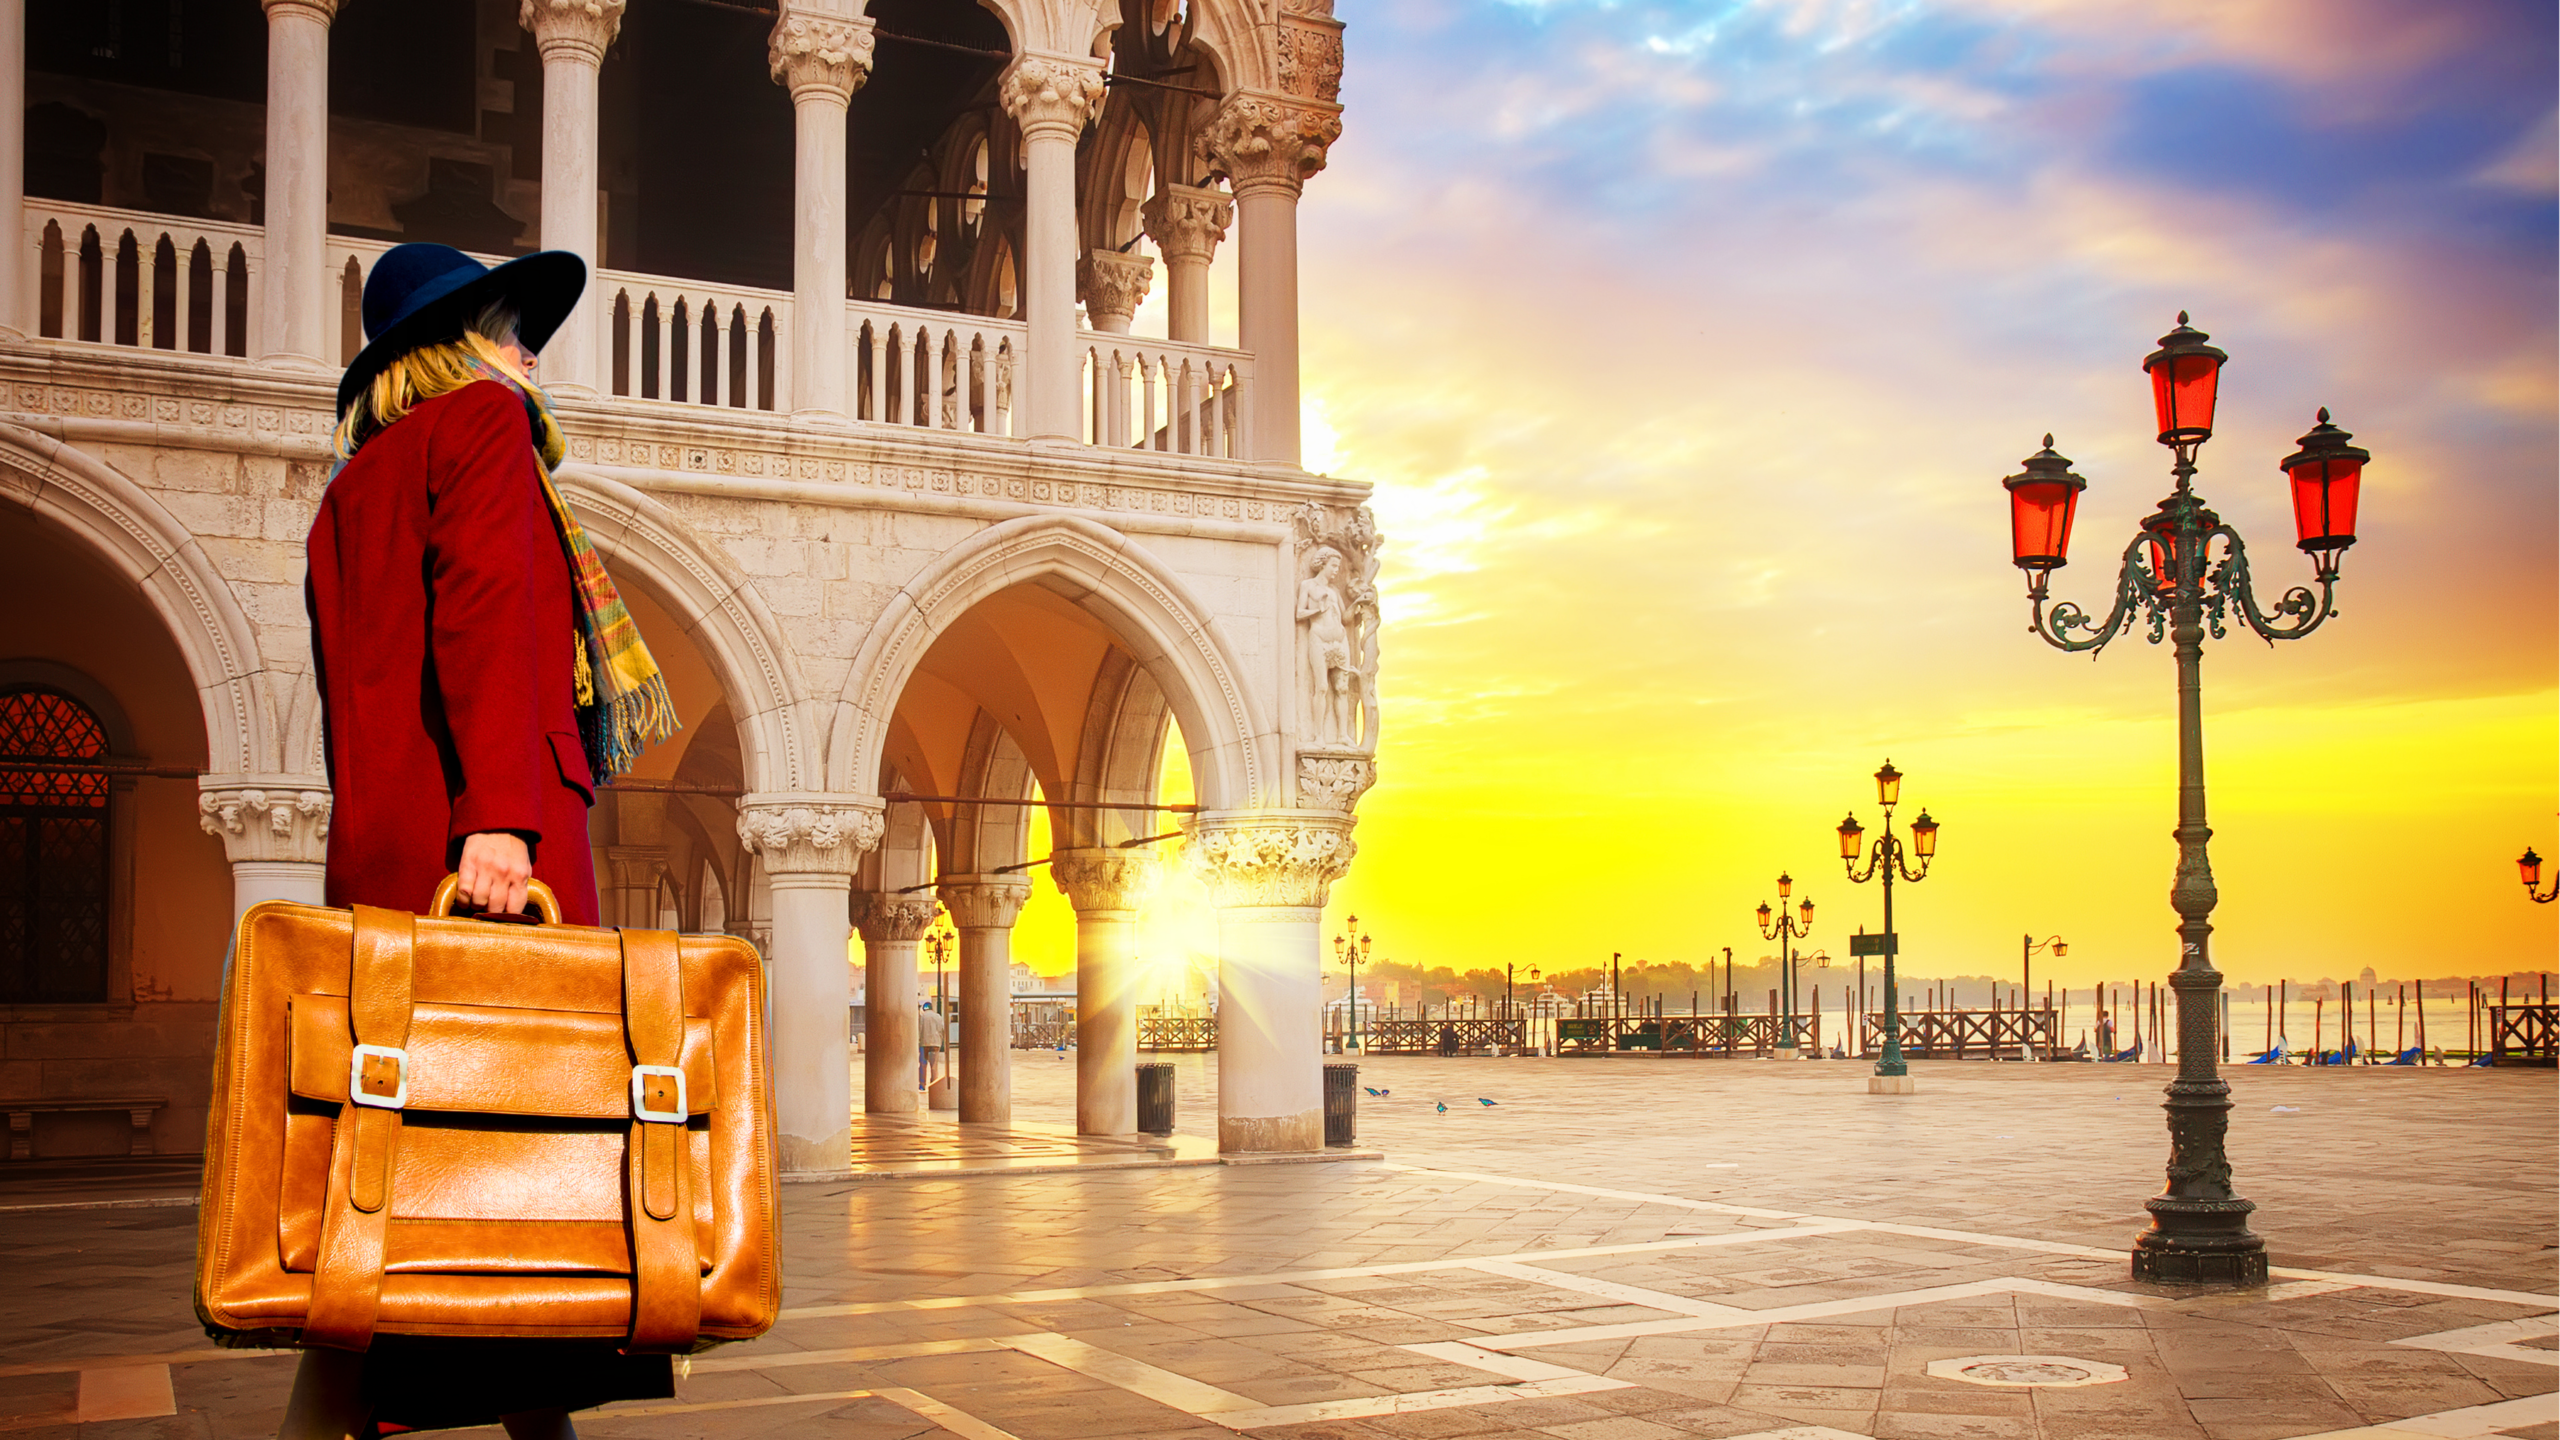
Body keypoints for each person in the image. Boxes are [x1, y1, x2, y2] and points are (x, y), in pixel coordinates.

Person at [279, 243, 678, 1440]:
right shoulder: (483, 430)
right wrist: (498, 820)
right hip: (486, 851)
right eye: (510, 326)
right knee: (524, 1137)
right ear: (451, 349)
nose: (530, 350)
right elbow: (493, 611)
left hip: (390, 862)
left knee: (407, 1162)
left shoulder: (352, 488)